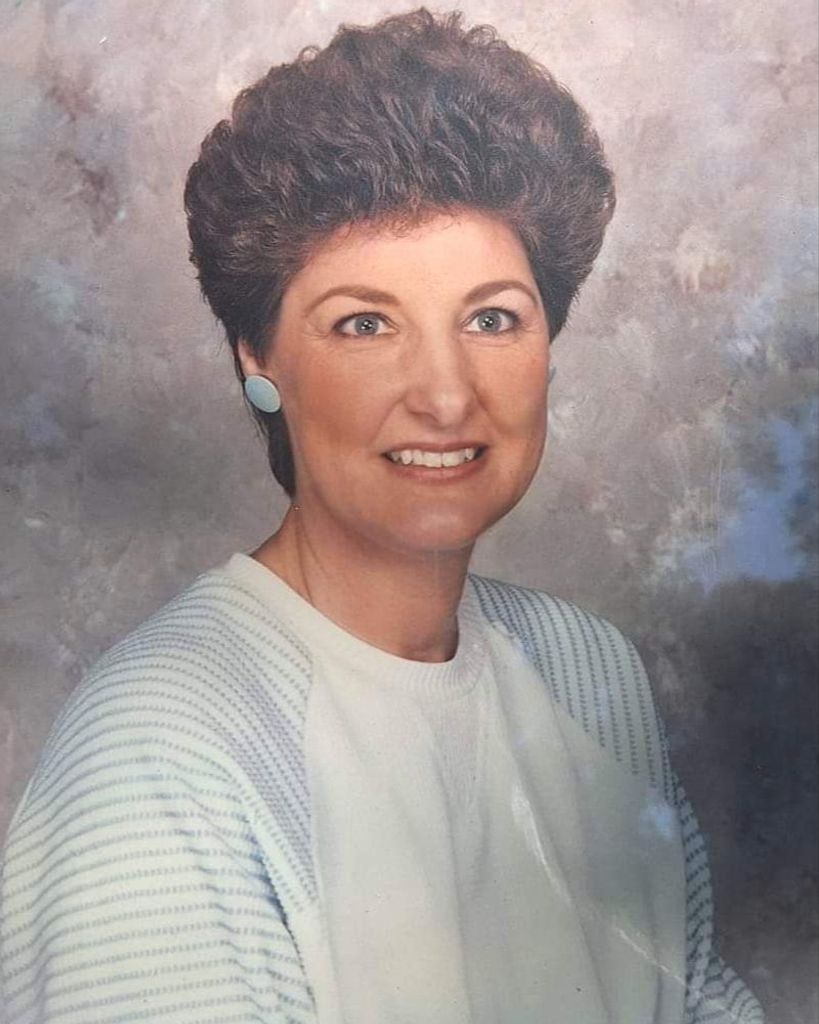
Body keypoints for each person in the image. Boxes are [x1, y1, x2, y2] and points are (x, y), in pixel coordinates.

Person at [0, 8, 764, 1023]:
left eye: (491, 318)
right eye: (364, 323)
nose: (445, 395)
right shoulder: (158, 750)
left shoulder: (592, 673)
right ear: (257, 358)